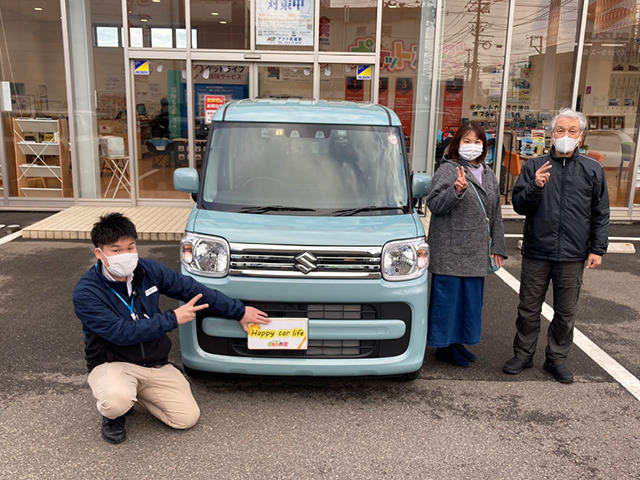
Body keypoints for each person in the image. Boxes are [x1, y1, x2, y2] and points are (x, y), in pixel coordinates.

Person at [73, 213, 270, 444]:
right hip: (113, 363)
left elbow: (193, 290)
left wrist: (239, 311)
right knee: (116, 400)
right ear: (100, 253)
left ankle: (135, 393)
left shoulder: (148, 271)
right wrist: (172, 318)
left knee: (186, 418)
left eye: (130, 247)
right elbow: (121, 332)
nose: (125, 255)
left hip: (154, 363)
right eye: (116, 250)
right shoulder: (87, 292)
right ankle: (114, 413)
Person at [502, 108, 610, 383]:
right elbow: (519, 205)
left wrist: (597, 249)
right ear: (552, 135)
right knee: (528, 308)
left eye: (572, 131)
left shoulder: (593, 169)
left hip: (573, 254)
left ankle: (556, 359)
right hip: (537, 250)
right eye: (560, 130)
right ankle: (523, 355)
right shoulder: (534, 166)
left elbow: (600, 213)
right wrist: (535, 186)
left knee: (565, 313)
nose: (565, 136)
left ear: (581, 136)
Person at [427, 121, 508, 366]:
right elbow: (434, 204)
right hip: (450, 248)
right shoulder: (448, 170)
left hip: (476, 249)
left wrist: (498, 246)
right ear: (457, 144)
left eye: (478, 141)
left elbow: (495, 212)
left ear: (484, 146)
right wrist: (456, 190)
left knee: (469, 301)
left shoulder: (488, 173)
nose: (473, 146)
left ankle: (458, 342)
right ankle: (444, 347)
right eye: (467, 141)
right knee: (448, 301)